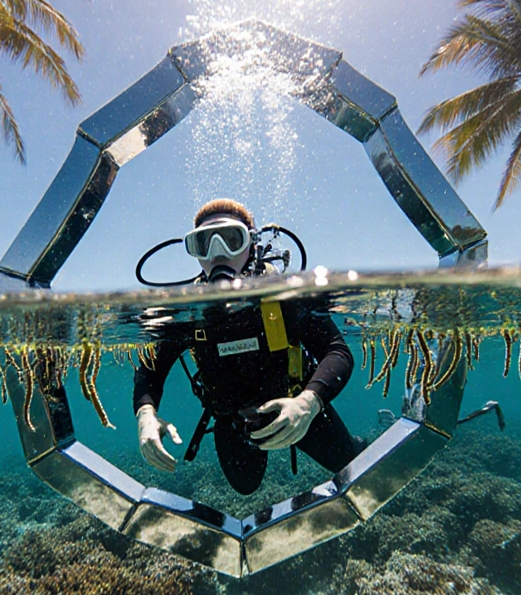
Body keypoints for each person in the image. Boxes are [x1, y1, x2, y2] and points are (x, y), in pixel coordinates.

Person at [132, 199, 367, 495]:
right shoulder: (187, 312)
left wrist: (308, 404)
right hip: (233, 420)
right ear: (194, 253)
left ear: (252, 245)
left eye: (232, 240)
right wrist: (145, 416)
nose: (218, 253)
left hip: (299, 403)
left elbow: (338, 352)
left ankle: (353, 439)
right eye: (204, 243)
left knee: (350, 461)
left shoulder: (286, 295)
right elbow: (150, 370)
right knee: (245, 486)